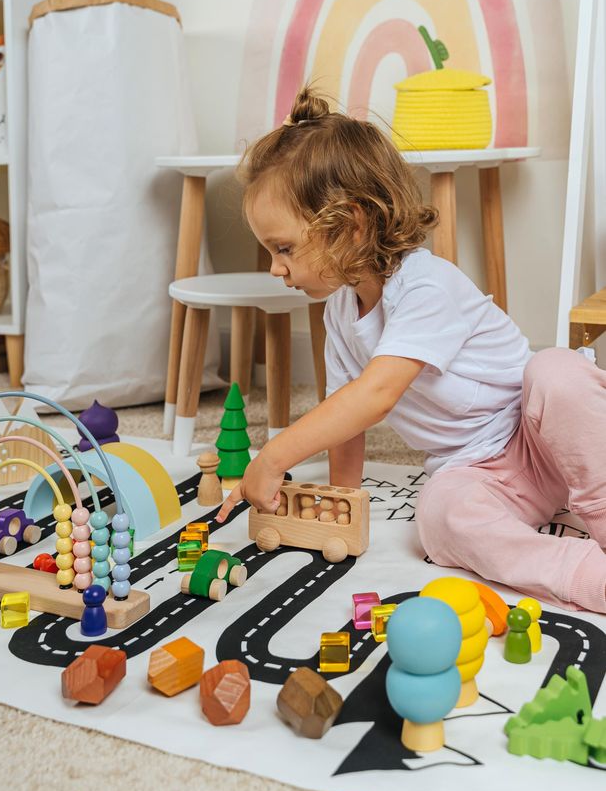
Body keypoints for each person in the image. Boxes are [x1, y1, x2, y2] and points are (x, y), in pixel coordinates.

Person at [216, 85, 606, 613]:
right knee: (439, 515)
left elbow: (375, 395)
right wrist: (341, 506)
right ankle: (582, 575)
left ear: (349, 227)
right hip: (479, 471)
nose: (275, 268)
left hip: (542, 436)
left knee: (555, 371)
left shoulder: (425, 285)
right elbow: (345, 419)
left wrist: (273, 457)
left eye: (283, 248)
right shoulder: (339, 313)